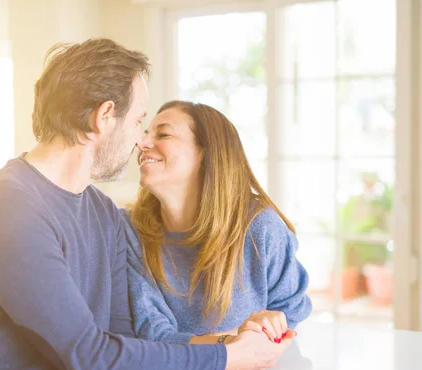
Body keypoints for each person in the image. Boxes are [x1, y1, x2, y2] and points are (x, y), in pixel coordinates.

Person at [0, 39, 291, 370]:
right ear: (104, 116)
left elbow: (127, 342)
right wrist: (227, 357)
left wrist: (233, 341)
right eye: (138, 121)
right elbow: (90, 358)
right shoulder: (4, 207)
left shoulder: (102, 212)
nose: (140, 140)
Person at [123, 101, 312, 346]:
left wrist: (272, 324)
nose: (142, 142)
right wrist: (232, 343)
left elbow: (291, 308)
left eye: (163, 134)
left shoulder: (259, 225)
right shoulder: (130, 231)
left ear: (204, 153)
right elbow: (153, 335)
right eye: (147, 132)